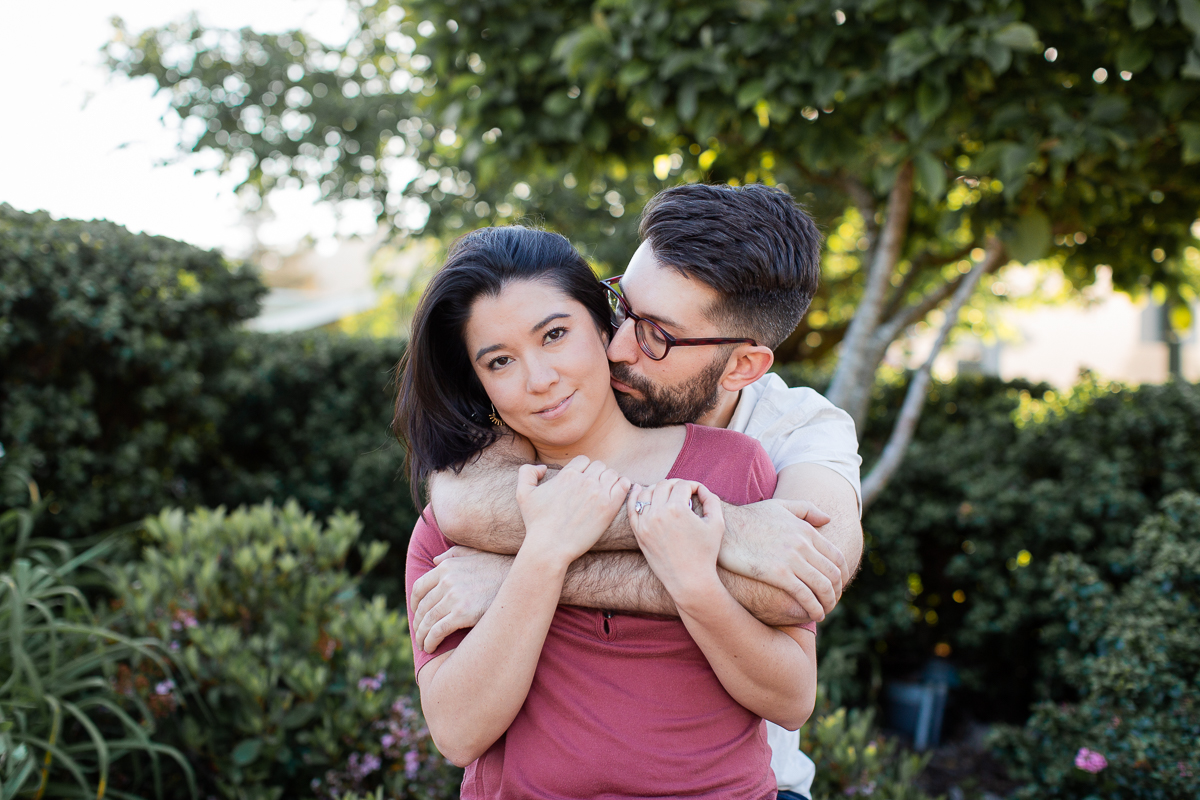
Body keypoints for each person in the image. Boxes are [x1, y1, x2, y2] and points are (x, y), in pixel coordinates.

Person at [410, 183, 863, 798]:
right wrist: (542, 557)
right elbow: (458, 733)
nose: (619, 344)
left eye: (656, 334)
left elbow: (803, 586)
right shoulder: (470, 499)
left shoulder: (780, 443)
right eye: (623, 306)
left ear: (741, 367)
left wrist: (519, 572)